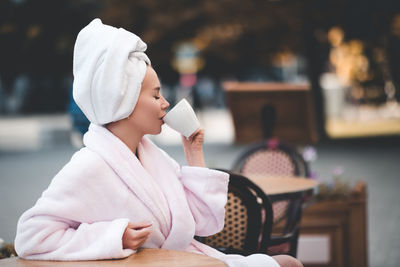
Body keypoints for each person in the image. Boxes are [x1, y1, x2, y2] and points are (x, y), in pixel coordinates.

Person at [14, 19, 302, 267]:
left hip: (187, 259)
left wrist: (195, 154)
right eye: (155, 95)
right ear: (123, 101)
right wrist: (114, 237)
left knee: (288, 263)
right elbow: (31, 236)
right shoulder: (90, 166)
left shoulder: (153, 157)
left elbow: (206, 224)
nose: (165, 103)